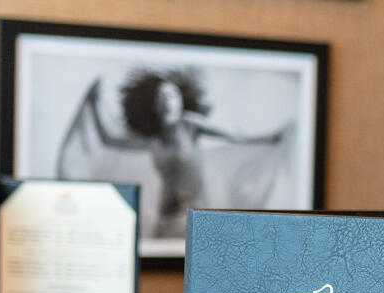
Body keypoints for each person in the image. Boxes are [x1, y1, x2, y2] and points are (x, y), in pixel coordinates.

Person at [83, 69, 287, 237]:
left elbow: (233, 136)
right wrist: (93, 105)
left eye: (172, 96)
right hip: (166, 218)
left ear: (180, 101)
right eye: (161, 97)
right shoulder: (152, 139)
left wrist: (269, 138)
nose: (167, 101)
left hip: (196, 218)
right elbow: (109, 140)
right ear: (153, 106)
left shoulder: (190, 126)